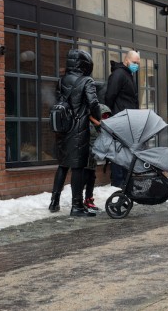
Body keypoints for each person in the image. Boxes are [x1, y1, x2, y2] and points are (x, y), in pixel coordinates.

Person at [52, 49, 102, 217]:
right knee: (78, 167)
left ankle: (54, 202)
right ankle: (77, 206)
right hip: (79, 129)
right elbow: (93, 103)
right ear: (85, 64)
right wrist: (98, 118)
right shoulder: (87, 80)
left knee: (62, 165)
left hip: (62, 128)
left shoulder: (61, 80)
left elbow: (59, 100)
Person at [105, 50, 140, 187]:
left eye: (138, 63)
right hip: (120, 119)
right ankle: (118, 180)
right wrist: (110, 116)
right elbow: (110, 95)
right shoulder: (119, 74)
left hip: (127, 119)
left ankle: (125, 179)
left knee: (126, 150)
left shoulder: (128, 74)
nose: (136, 65)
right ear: (126, 60)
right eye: (134, 62)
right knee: (119, 151)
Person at [82, 104, 112, 211]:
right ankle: (79, 200)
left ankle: (88, 199)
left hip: (92, 159)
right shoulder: (89, 125)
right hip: (86, 157)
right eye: (104, 116)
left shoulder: (99, 126)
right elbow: (93, 141)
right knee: (84, 178)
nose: (106, 118)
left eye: (107, 116)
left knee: (91, 178)